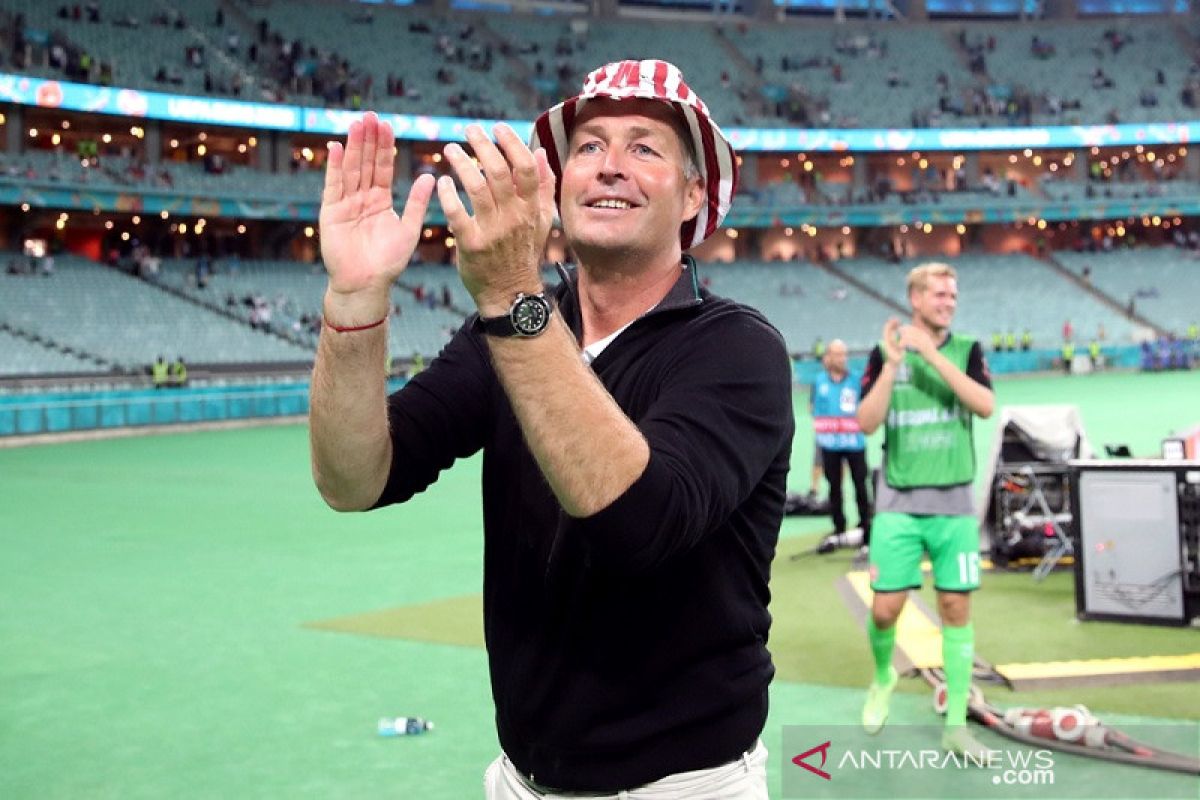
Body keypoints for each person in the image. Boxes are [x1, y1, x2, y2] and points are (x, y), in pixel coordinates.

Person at [309, 60, 793, 798]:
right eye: (590, 147)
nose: (609, 167)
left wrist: (513, 297)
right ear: (558, 184)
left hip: (686, 785)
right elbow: (354, 477)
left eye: (644, 148)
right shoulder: (505, 327)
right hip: (522, 780)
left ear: (694, 193)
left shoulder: (736, 347)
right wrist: (354, 297)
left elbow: (637, 520)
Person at [855, 262, 994, 757]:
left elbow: (984, 406)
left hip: (954, 504)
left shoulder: (967, 350)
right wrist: (894, 364)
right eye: (939, 294)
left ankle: (956, 724)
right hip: (898, 502)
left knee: (955, 609)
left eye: (952, 294)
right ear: (915, 299)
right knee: (885, 608)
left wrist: (932, 357)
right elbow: (866, 424)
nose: (948, 301)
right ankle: (883, 674)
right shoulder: (881, 354)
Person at [812, 339, 871, 558]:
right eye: (837, 354)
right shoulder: (819, 382)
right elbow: (814, 408)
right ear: (828, 356)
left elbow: (865, 406)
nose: (841, 358)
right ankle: (839, 528)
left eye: (844, 354)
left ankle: (866, 527)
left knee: (860, 486)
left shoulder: (856, 380)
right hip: (830, 444)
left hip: (855, 443)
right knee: (834, 487)